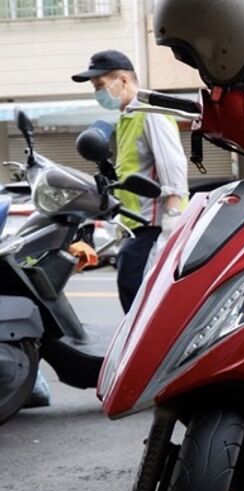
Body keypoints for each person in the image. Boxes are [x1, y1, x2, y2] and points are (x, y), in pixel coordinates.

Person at [70, 50, 187, 312]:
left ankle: (150, 351)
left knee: (137, 292)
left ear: (123, 80)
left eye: (100, 85)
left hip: (156, 225)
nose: (97, 92)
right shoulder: (127, 117)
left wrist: (173, 214)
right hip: (137, 223)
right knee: (133, 289)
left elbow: (172, 162)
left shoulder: (150, 111)